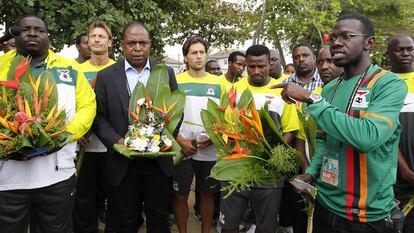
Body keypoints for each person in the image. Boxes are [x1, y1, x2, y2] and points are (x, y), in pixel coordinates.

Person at [273, 13, 407, 233]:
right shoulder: (330, 88)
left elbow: (368, 137)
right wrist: (312, 172)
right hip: (325, 205)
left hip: (367, 214)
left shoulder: (388, 83)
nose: (335, 42)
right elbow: (323, 140)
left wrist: (310, 98)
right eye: (332, 38)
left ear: (369, 43)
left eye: (346, 36)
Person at [0, 15, 96, 233]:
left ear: (48, 37)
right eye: (26, 29)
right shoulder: (2, 66)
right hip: (7, 180)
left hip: (57, 177)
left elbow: (88, 106)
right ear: (16, 35)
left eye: (39, 30)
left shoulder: (69, 69)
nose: (32, 33)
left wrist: (61, 135)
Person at [93, 21, 177, 233]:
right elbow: (99, 118)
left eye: (142, 43)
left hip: (158, 163)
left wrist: (159, 139)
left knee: (158, 221)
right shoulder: (106, 76)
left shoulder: (165, 72)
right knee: (125, 221)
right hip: (123, 162)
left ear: (150, 44)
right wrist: (119, 141)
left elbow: (176, 111)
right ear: (122, 45)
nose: (137, 48)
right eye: (132, 43)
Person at [219, 44, 300, 233]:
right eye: (251, 66)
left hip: (269, 170)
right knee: (229, 224)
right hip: (237, 167)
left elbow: (290, 130)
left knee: (266, 225)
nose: (256, 71)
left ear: (269, 63)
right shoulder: (234, 90)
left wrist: (271, 155)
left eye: (261, 66)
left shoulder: (282, 91)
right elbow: (224, 127)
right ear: (245, 65)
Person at [173, 36, 225, 233]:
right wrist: (179, 140)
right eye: (194, 53)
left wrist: (215, 136)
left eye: (202, 52)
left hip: (210, 150)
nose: (198, 56)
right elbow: (167, 116)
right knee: (180, 195)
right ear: (186, 57)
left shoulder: (219, 83)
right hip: (182, 149)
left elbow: (225, 114)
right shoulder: (176, 81)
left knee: (207, 194)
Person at [73, 21, 116, 233]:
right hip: (84, 146)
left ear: (110, 42)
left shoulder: (119, 70)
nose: (97, 39)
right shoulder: (76, 71)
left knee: (115, 198)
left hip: (114, 146)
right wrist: (77, 131)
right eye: (93, 36)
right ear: (88, 42)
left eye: (102, 36)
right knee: (84, 198)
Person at [387, 34, 414, 233]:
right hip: (395, 178)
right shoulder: (383, 83)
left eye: (410, 49)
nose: (406, 53)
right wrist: (404, 169)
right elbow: (383, 132)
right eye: (399, 50)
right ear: (388, 54)